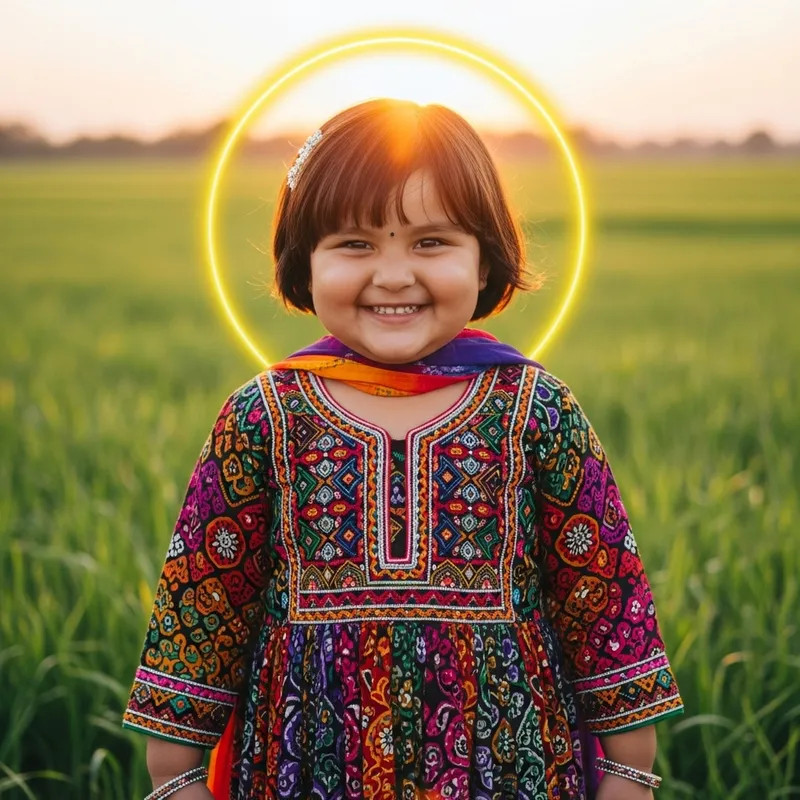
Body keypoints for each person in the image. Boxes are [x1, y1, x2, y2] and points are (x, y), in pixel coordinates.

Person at [122, 98, 684, 800]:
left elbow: (604, 599)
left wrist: (631, 772)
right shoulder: (261, 418)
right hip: (303, 775)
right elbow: (201, 608)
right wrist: (173, 780)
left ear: (486, 262)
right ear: (305, 263)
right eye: (355, 245)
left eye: (430, 243)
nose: (392, 275)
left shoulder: (536, 411)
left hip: (513, 774)